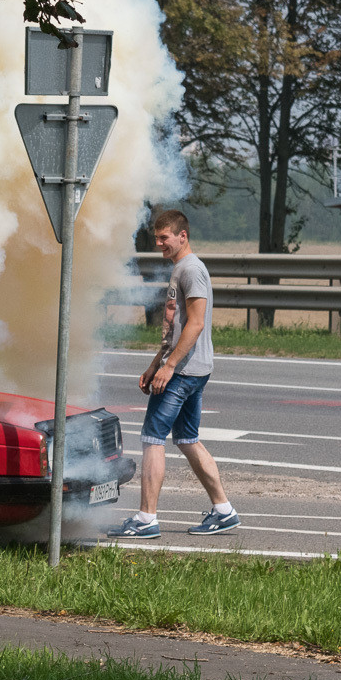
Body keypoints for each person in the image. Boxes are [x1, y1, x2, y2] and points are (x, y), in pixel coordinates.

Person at [108, 210, 239, 538]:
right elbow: (176, 328)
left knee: (152, 438)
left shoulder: (191, 269)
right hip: (187, 368)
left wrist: (169, 367)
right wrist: (155, 364)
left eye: (164, 237)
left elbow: (194, 323)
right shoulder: (182, 268)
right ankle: (224, 510)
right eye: (157, 238)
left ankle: (145, 519)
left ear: (183, 236)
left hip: (183, 372)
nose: (159, 243)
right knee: (187, 438)